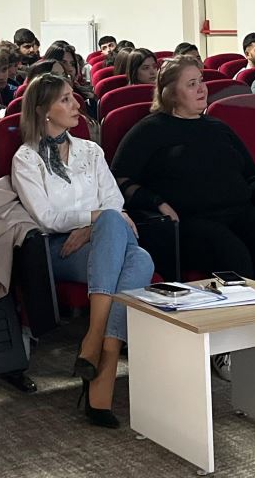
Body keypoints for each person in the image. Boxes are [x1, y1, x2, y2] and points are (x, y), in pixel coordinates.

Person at [11, 73, 153, 428]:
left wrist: (96, 224)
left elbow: (114, 200)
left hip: (104, 239)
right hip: (60, 249)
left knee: (141, 257)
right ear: (43, 111)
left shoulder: (91, 151)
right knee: (137, 256)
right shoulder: (26, 158)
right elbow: (46, 217)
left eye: (74, 97)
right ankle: (99, 351)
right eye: (65, 100)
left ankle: (98, 358)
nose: (76, 105)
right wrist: (98, 219)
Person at [112, 57, 255, 293]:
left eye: (201, 81)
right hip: (190, 220)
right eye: (191, 84)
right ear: (170, 92)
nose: (202, 88)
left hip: (237, 210)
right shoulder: (149, 130)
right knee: (233, 254)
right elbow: (120, 179)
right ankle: (241, 324)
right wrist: (155, 202)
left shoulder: (218, 127)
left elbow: (250, 176)